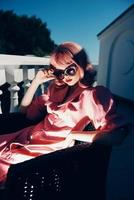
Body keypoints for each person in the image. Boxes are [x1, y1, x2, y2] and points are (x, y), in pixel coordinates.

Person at [0, 41, 126, 186]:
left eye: (70, 70)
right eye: (59, 72)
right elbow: (24, 114)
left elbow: (117, 136)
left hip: (42, 151)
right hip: (24, 137)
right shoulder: (57, 89)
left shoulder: (94, 94)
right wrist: (36, 82)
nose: (64, 77)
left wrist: (73, 134)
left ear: (81, 65)